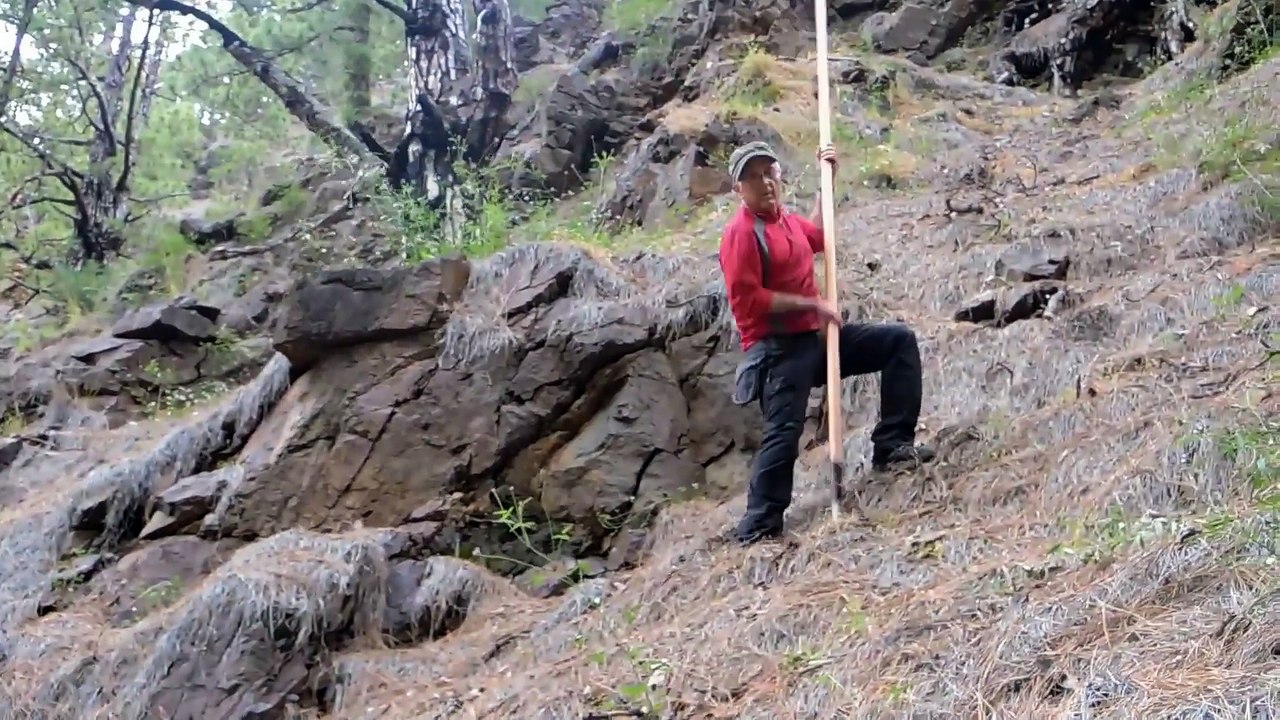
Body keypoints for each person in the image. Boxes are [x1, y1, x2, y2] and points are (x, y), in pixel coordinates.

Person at [718, 140, 936, 544]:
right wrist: (812, 304)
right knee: (784, 432)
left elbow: (818, 236)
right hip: (776, 349)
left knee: (898, 343)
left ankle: (892, 447)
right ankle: (759, 525)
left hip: (815, 340)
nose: (765, 182)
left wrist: (826, 182)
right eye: (753, 177)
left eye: (769, 172)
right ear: (738, 189)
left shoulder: (786, 221)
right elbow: (749, 300)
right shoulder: (741, 234)